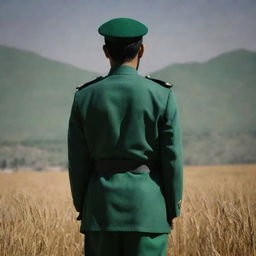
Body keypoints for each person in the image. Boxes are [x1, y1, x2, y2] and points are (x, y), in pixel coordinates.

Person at [68, 17, 183, 256]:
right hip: (148, 211)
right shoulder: (161, 95)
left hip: (100, 210)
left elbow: (77, 161)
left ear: (105, 51)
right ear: (141, 50)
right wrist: (171, 208)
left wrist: (84, 205)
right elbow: (172, 158)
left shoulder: (85, 96)